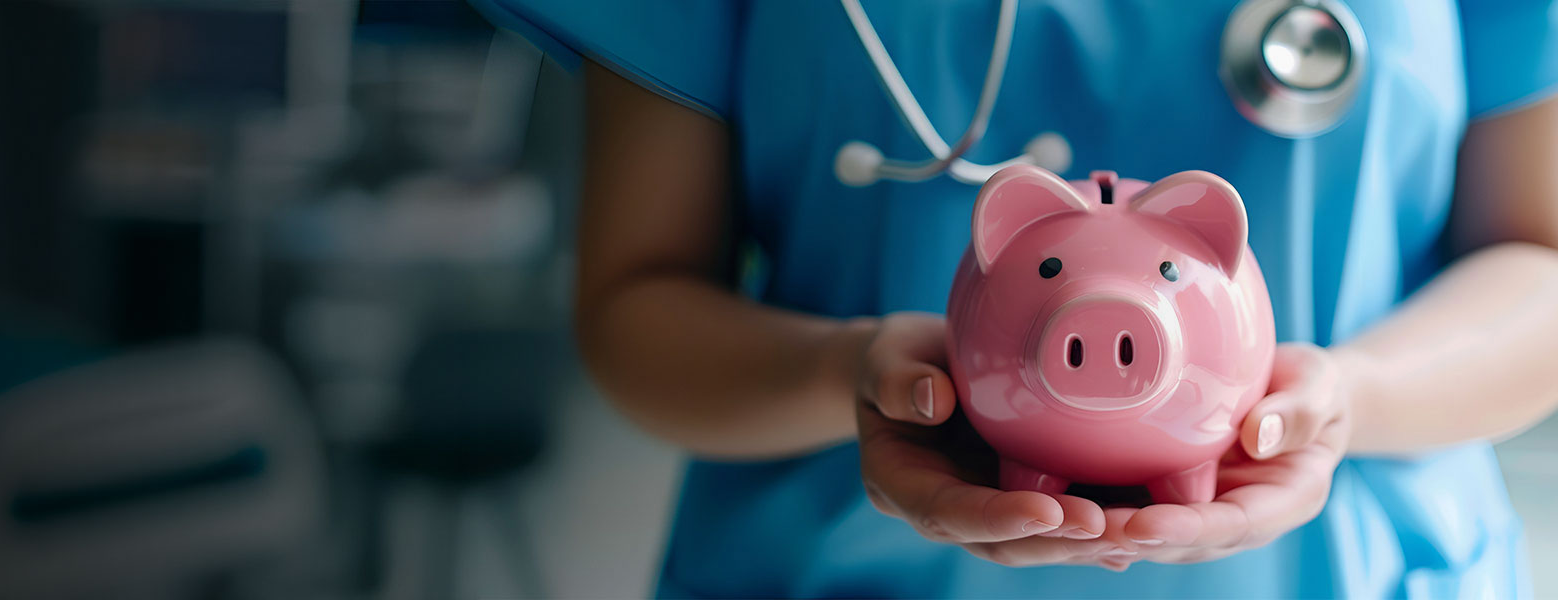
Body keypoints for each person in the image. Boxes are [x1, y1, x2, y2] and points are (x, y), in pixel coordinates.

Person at [472, 0, 1558, 597]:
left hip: (1353, 568)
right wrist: (844, 370)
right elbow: (638, 305)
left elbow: (1540, 267)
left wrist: (1350, 396)